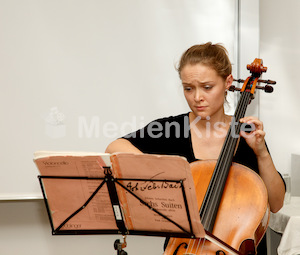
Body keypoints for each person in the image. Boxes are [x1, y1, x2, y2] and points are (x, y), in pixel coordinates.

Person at [105, 42, 286, 254]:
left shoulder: (247, 133)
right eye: (188, 88)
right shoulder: (171, 128)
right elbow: (114, 147)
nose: (197, 97)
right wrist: (164, 169)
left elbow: (275, 204)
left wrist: (261, 152)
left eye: (207, 87)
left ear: (228, 82)